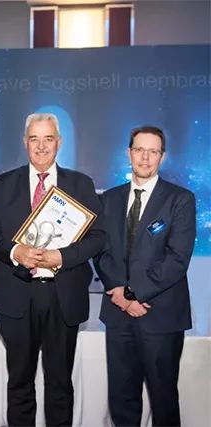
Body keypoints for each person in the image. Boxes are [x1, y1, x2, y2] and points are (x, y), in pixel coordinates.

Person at [0, 113, 104, 426]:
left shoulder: (81, 184)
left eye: (48, 139)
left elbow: (99, 237)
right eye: (34, 139)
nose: (41, 146)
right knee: (19, 381)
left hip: (63, 296)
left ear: (59, 143)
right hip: (16, 296)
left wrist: (62, 256)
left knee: (60, 383)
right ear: (25, 142)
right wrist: (16, 251)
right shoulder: (5, 184)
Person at [95, 126, 196, 427]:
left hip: (160, 316)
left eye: (153, 151)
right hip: (118, 316)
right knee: (122, 399)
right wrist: (120, 295)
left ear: (162, 157)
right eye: (139, 150)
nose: (145, 157)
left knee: (163, 402)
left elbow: (177, 259)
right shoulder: (109, 199)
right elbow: (100, 252)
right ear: (129, 153)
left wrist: (132, 294)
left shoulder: (180, 199)